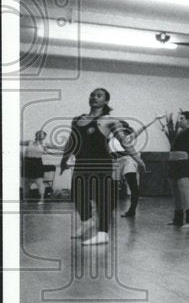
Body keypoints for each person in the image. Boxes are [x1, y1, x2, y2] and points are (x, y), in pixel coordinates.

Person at [59, 87, 145, 246]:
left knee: (101, 198)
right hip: (82, 163)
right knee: (78, 196)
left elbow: (125, 142)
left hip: (101, 164)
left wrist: (137, 158)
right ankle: (87, 222)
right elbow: (71, 142)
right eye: (92, 95)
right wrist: (64, 161)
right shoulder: (78, 119)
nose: (94, 97)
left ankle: (103, 232)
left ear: (105, 101)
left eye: (99, 95)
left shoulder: (110, 120)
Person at [110, 117, 161, 219]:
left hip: (128, 160)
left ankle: (132, 210)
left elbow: (142, 128)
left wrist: (154, 119)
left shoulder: (127, 137)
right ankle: (110, 208)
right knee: (112, 187)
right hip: (115, 162)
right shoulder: (110, 139)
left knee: (132, 185)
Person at [20, 130, 50, 202]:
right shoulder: (29, 142)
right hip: (27, 162)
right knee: (26, 182)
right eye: (38, 133)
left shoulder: (45, 144)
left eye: (42, 134)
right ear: (36, 135)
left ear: (44, 137)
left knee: (39, 182)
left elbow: (54, 148)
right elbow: (18, 142)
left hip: (37, 163)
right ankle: (25, 199)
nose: (40, 135)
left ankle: (42, 199)